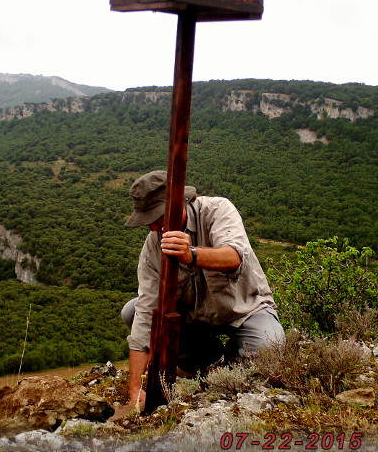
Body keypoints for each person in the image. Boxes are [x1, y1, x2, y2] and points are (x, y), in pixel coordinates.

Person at [121, 170, 285, 410]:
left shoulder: (218, 210)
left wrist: (192, 255)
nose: (153, 227)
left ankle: (233, 358)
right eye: (149, 221)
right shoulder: (153, 246)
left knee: (270, 352)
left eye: (158, 217)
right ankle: (206, 358)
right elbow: (147, 310)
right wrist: (135, 389)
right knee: (132, 312)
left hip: (244, 310)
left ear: (179, 204)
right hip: (196, 319)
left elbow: (234, 256)